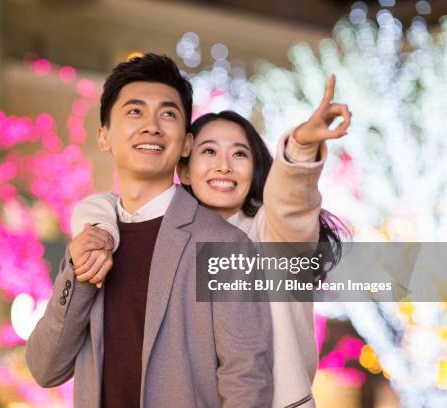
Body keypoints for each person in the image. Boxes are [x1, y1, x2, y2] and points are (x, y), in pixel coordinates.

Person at [70, 74, 351, 408]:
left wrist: (302, 147)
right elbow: (106, 206)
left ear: (255, 168)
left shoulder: (272, 234)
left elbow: (292, 202)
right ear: (185, 170)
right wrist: (100, 230)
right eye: (209, 151)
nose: (223, 166)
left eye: (239, 155)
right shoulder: (168, 238)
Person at [25, 53, 274, 408]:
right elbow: (44, 368)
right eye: (135, 112)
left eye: (168, 114)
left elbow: (247, 381)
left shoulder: (225, 245)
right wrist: (78, 276)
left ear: (186, 144)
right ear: (104, 136)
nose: (152, 126)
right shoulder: (90, 239)